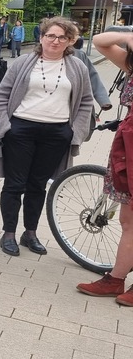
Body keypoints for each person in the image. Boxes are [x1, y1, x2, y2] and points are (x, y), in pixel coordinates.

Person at [0, 17, 93, 256]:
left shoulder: (78, 67)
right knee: (14, 184)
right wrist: (5, 124)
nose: (55, 41)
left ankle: (30, 233)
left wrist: (76, 132)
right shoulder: (24, 62)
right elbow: (1, 95)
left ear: (70, 41)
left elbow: (86, 102)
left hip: (56, 133)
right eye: (51, 36)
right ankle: (9, 233)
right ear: (42, 37)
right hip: (21, 130)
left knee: (38, 185)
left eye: (62, 37)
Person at [77, 30, 133, 305]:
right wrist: (130, 37)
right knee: (128, 220)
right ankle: (116, 278)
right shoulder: (130, 63)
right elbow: (100, 41)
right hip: (129, 143)